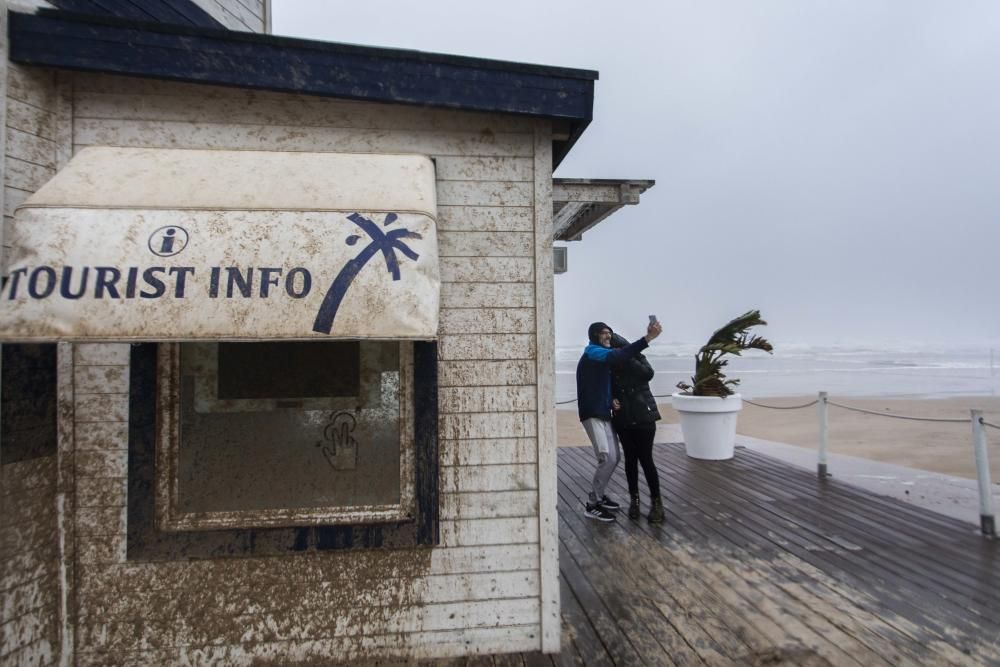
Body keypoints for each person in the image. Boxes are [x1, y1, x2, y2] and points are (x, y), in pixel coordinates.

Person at [576, 319, 662, 522]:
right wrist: (648, 338)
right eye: (604, 333)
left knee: (614, 458)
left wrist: (611, 399)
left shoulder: (604, 358)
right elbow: (618, 355)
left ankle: (600, 496)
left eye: (610, 333)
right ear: (594, 336)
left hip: (605, 413)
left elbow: (605, 383)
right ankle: (592, 504)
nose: (608, 336)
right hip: (592, 413)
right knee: (607, 458)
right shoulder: (593, 352)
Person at [610, 332, 664, 523]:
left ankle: (657, 503)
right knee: (630, 460)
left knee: (646, 459)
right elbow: (605, 388)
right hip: (623, 419)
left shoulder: (637, 357)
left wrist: (628, 357)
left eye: (618, 349)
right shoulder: (609, 365)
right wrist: (610, 399)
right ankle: (635, 500)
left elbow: (648, 374)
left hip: (644, 416)